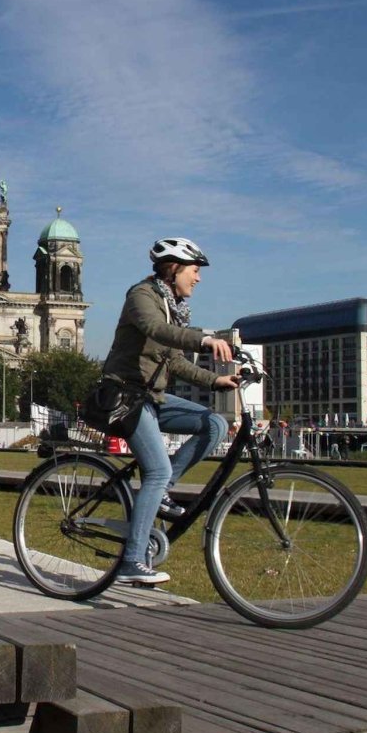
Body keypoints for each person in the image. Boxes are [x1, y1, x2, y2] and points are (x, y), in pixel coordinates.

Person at [100, 237, 240, 586]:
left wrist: (215, 381)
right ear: (173, 268)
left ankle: (160, 492)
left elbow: (173, 361)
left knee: (214, 424)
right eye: (194, 271)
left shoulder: (171, 306)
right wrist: (202, 339)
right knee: (157, 469)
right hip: (126, 396)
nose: (199, 278)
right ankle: (131, 561)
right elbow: (155, 330)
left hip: (153, 397)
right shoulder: (142, 297)